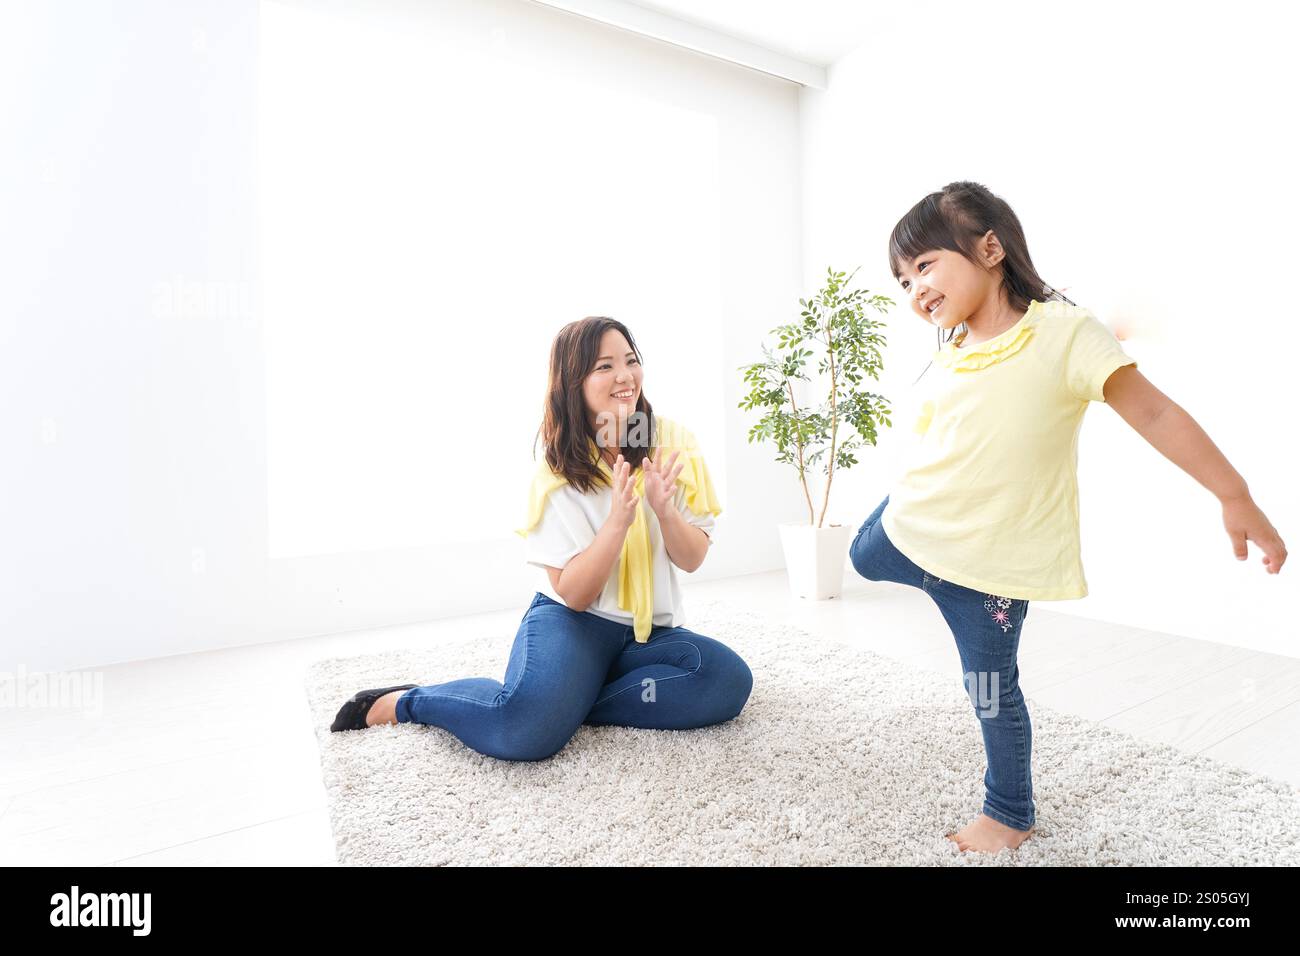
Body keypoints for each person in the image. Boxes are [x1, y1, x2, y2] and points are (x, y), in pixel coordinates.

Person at [851, 180, 1288, 854]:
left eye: (925, 265)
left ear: (990, 248)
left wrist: (1233, 493)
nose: (914, 289)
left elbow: (1155, 412)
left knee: (992, 692)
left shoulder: (1064, 334)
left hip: (990, 571)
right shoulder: (953, 350)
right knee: (859, 552)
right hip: (917, 527)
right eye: (903, 280)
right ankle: (917, 556)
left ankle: (1009, 812)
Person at [330, 316, 753, 761]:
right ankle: (408, 701)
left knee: (724, 681)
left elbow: (692, 559)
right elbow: (573, 593)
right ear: (574, 382)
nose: (624, 377)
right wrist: (617, 524)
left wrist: (665, 512)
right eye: (604, 367)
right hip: (573, 624)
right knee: (522, 732)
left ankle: (571, 702)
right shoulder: (560, 468)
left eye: (631, 361)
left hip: (648, 637)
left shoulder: (671, 443)